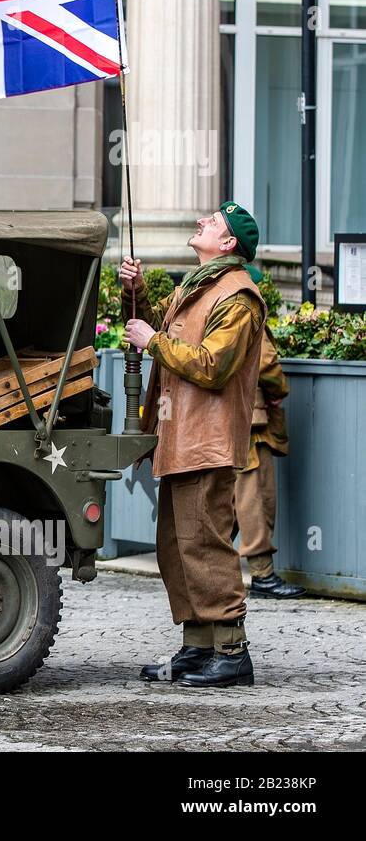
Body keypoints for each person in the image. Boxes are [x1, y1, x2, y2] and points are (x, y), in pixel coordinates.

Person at [120, 202, 266, 688]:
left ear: (228, 244)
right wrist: (134, 293)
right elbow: (161, 332)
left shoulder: (239, 296)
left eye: (214, 222)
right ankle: (198, 646)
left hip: (207, 439)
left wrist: (152, 341)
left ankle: (231, 652)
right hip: (179, 436)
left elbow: (211, 365)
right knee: (176, 547)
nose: (202, 221)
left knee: (205, 544)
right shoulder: (199, 285)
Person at [236, 326, 305, 598]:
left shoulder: (202, 297)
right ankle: (262, 574)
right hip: (249, 417)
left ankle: (210, 570)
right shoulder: (244, 300)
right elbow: (265, 362)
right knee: (256, 496)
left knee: (231, 499)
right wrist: (279, 389)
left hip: (223, 416)